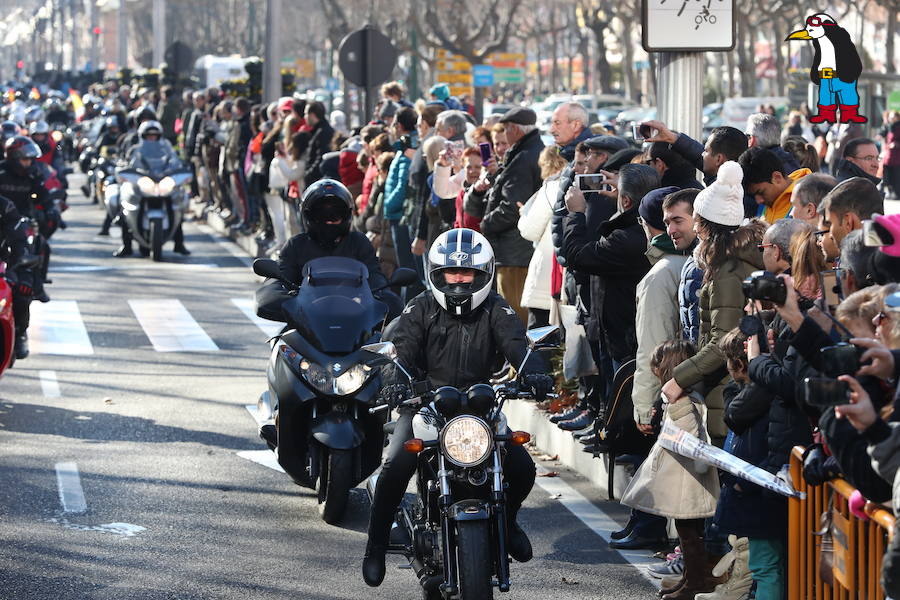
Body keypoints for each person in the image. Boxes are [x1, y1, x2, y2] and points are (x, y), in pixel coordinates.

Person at [361, 228, 553, 587]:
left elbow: (517, 344)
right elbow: (398, 347)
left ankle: (507, 521)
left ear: (483, 274)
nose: (460, 280)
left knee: (523, 468)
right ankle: (375, 545)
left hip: (480, 405)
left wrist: (536, 374)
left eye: (467, 273)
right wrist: (395, 382)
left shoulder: (496, 307)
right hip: (425, 402)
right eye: (452, 273)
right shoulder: (421, 306)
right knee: (394, 465)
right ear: (437, 273)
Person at [661, 162, 766, 445]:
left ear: (704, 226)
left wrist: (679, 378)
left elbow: (723, 339)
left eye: (695, 220)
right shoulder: (732, 262)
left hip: (728, 386)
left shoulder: (727, 271)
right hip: (730, 385)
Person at [469, 107, 545, 324]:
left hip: (515, 253)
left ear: (514, 130)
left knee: (513, 316)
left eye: (507, 129)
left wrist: (486, 223)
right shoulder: (532, 151)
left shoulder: (522, 158)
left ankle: (519, 358)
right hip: (520, 249)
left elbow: (512, 207)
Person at [738, 147, 811, 223]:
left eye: (761, 192)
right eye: (753, 196)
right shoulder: (766, 203)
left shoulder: (809, 198)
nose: (758, 201)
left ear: (777, 178)